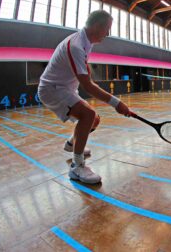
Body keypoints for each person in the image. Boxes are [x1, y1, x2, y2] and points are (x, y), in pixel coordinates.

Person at [37, 10, 131, 184]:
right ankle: (77, 167)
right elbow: (88, 86)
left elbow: (86, 74)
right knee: (87, 115)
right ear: (97, 26)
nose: (108, 34)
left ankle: (72, 144)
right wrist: (117, 104)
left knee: (94, 119)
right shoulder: (76, 46)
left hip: (66, 88)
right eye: (107, 29)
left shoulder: (87, 42)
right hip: (52, 89)